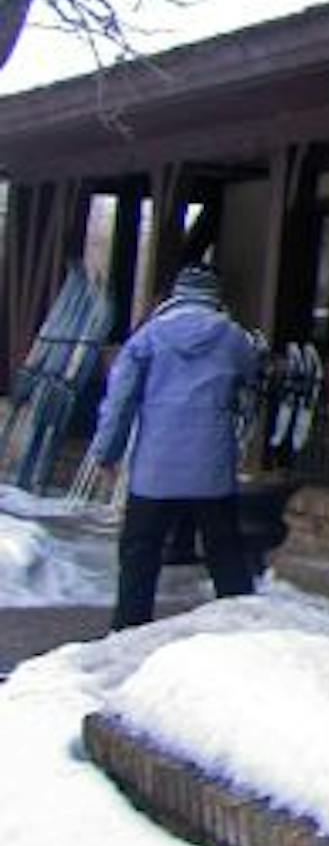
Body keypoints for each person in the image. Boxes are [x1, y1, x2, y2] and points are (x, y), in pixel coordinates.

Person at [86, 262, 263, 629]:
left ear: (175, 295)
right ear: (215, 296)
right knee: (225, 554)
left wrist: (107, 453)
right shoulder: (234, 338)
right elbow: (250, 385)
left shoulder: (147, 338)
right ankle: (246, 633)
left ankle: (128, 631)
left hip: (155, 469)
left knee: (139, 557)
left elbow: (120, 401)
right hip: (211, 467)